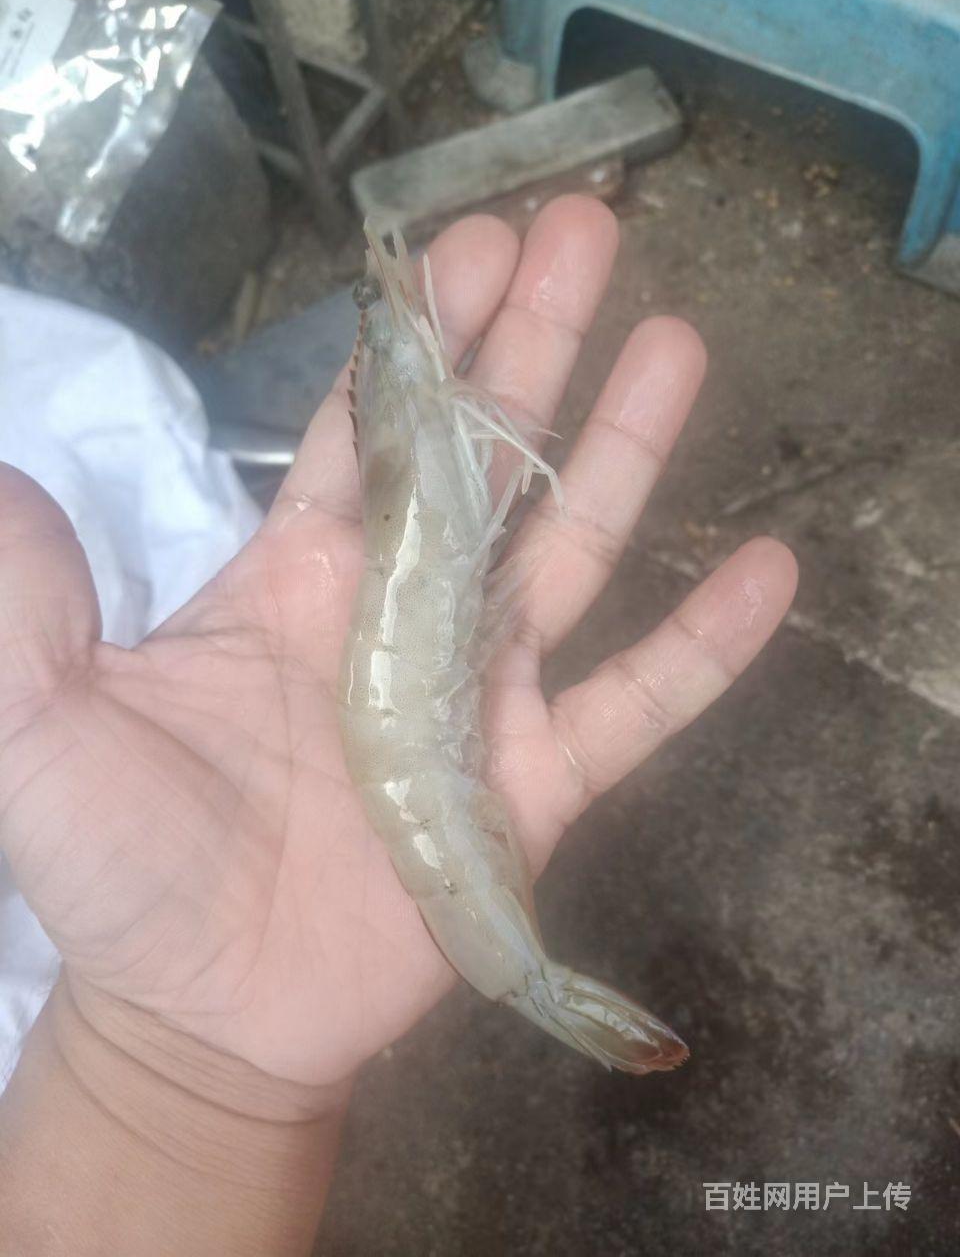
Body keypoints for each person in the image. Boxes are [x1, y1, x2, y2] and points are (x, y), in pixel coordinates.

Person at [0, 197, 797, 1254]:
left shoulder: (398, 433)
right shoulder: (406, 440)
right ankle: (539, 984)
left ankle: (534, 978)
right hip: (424, 782)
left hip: (419, 745)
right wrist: (177, 1062)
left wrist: (176, 1076)